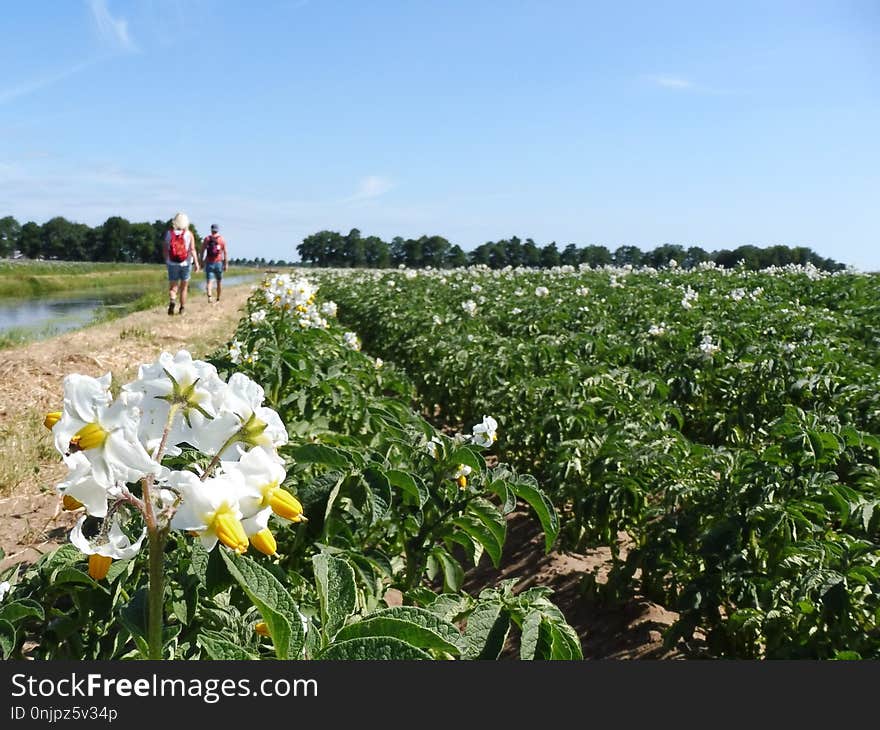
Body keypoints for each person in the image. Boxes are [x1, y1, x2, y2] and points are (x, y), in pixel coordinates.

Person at [163, 212, 199, 316]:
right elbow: (192, 250)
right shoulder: (189, 234)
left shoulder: (169, 234)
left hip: (172, 263)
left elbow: (165, 249)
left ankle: (172, 300)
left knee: (173, 287)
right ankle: (182, 308)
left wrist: (167, 260)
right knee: (184, 287)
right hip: (186, 264)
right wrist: (196, 263)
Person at [200, 223, 228, 303]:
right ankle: (218, 298)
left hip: (209, 262)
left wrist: (201, 261)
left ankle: (209, 296)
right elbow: (225, 252)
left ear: (211, 230)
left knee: (209, 281)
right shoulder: (222, 239)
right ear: (217, 230)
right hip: (219, 262)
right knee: (219, 282)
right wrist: (226, 264)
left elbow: (202, 251)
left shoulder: (207, 239)